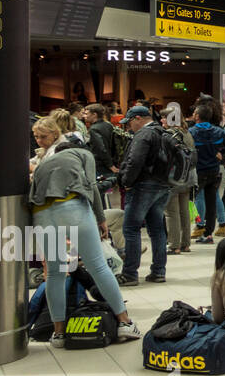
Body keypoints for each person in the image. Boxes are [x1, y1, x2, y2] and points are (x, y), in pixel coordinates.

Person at [28, 117, 141, 347]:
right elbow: (90, 188)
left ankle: (58, 333)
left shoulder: (43, 164)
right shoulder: (83, 155)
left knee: (56, 274)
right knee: (98, 266)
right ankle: (125, 322)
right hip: (71, 207)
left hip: (41, 213)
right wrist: (100, 219)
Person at [115, 106, 173, 285]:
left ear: (138, 118)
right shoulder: (165, 133)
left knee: (131, 229)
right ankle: (158, 272)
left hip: (143, 186)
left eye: (130, 123)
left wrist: (126, 181)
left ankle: (130, 274)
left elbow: (135, 161)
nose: (129, 127)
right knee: (157, 230)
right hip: (163, 185)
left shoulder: (143, 135)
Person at [189, 104, 225, 245]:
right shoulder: (217, 131)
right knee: (212, 202)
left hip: (199, 171)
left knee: (198, 199)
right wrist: (223, 153)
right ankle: (209, 234)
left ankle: (200, 226)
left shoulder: (192, 131)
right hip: (214, 171)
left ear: (197, 116)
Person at [162, 105, 196, 255]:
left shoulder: (169, 134)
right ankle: (185, 244)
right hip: (189, 175)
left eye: (164, 117)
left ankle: (174, 245)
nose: (161, 120)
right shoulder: (187, 132)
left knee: (171, 212)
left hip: (174, 176)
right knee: (184, 211)